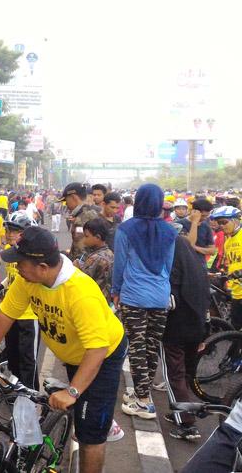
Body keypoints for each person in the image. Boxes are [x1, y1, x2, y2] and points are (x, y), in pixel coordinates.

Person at [0, 227, 127, 473]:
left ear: (42, 266)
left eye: (20, 263)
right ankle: (92, 407)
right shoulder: (28, 280)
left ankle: (98, 418)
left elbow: (97, 349)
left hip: (102, 355)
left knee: (90, 436)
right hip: (74, 351)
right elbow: (6, 313)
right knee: (80, 403)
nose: (17, 268)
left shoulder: (80, 293)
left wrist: (73, 391)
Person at [113, 184, 176, 420]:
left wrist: (115, 290)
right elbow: (168, 266)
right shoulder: (170, 231)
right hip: (160, 295)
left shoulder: (126, 229)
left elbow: (119, 265)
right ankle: (143, 393)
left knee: (137, 346)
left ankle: (143, 400)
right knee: (151, 346)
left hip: (134, 296)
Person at [161, 231, 210, 442]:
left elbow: (169, 301)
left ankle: (186, 424)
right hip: (197, 327)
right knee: (186, 373)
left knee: (174, 375)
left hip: (176, 328)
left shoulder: (172, 268)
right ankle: (183, 412)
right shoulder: (198, 267)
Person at [0, 211, 41, 390]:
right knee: (13, 357)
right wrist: (1, 286)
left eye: (16, 231)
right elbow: (11, 278)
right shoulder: (10, 254)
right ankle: (17, 392)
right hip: (11, 314)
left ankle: (31, 397)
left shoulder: (33, 257)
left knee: (27, 360)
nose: (10, 234)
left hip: (29, 316)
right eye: (9, 229)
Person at [214, 206, 242, 328]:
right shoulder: (228, 242)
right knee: (235, 328)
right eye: (219, 223)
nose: (222, 226)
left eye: (224, 222)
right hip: (237, 292)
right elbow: (231, 264)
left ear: (235, 220)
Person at [75, 218, 115, 304]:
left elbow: (82, 280)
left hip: (94, 299)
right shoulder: (109, 253)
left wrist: (76, 268)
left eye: (87, 236)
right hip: (105, 298)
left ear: (97, 237)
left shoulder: (96, 258)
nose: (84, 240)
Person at [61, 183, 101, 260]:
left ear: (74, 197)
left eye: (66, 200)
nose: (66, 204)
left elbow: (81, 248)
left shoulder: (84, 216)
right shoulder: (89, 211)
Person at [177, 198, 217, 265]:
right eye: (202, 216)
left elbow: (212, 251)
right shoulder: (179, 225)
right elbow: (189, 244)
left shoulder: (206, 226)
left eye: (207, 216)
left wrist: (195, 248)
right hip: (183, 264)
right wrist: (195, 222)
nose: (204, 218)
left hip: (200, 265)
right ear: (193, 211)